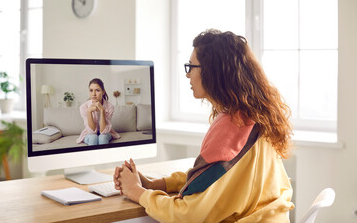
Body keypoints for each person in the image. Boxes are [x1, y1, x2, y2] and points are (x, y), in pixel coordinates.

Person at [114, 29, 294, 222]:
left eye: (191, 66)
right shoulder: (255, 116)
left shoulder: (232, 131)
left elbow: (188, 215)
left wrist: (137, 192)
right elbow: (213, 180)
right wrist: (157, 184)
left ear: (213, 71)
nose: (188, 74)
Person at [77, 78, 120, 145]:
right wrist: (89, 112)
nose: (93, 94)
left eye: (97, 90)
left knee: (102, 138)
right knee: (93, 137)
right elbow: (91, 131)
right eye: (91, 90)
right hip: (89, 134)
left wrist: (102, 110)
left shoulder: (110, 107)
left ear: (103, 92)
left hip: (105, 133)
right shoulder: (84, 107)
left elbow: (103, 131)